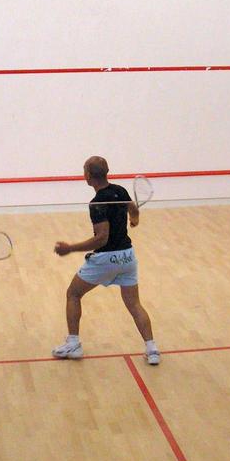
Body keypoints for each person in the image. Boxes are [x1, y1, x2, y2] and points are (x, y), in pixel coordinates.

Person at [52, 156, 160, 365]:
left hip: (105, 259)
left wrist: (69, 248)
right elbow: (133, 209)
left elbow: (101, 238)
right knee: (134, 304)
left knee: (73, 294)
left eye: (84, 171)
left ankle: (73, 344)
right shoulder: (120, 190)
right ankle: (152, 349)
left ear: (89, 176)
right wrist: (134, 219)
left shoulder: (97, 203)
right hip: (127, 257)